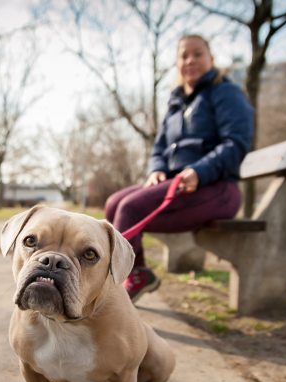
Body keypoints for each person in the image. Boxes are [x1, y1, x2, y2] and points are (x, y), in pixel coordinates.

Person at [105, 34, 254, 303]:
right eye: (184, 55)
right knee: (115, 203)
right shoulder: (175, 103)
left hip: (217, 187)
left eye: (198, 54)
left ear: (211, 58)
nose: (191, 60)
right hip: (177, 186)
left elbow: (237, 143)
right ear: (177, 63)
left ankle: (110, 296)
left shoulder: (225, 92)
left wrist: (200, 171)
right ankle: (137, 272)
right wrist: (156, 170)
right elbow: (160, 148)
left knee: (130, 209)